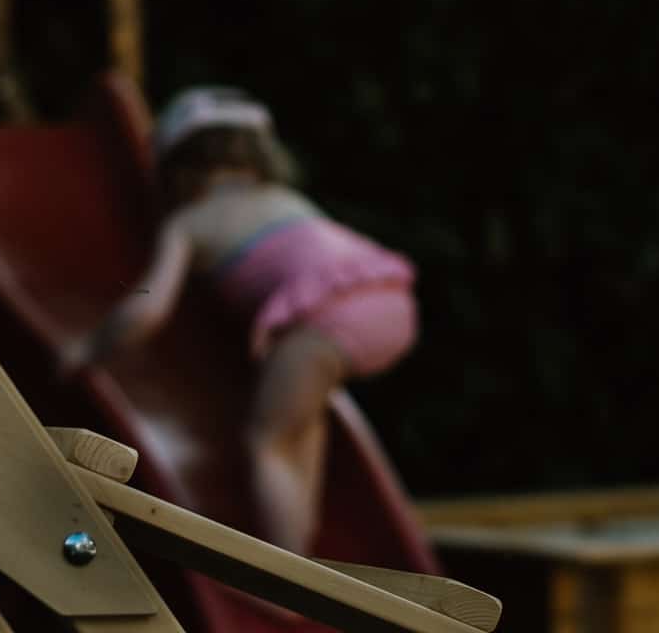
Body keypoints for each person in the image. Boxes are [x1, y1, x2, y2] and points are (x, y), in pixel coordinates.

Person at [60, 86, 419, 554]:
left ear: (177, 169)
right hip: (392, 302)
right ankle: (307, 552)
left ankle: (288, 573)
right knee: (301, 428)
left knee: (267, 441)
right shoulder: (283, 197)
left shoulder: (190, 220)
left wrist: (87, 348)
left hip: (327, 317)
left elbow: (148, 306)